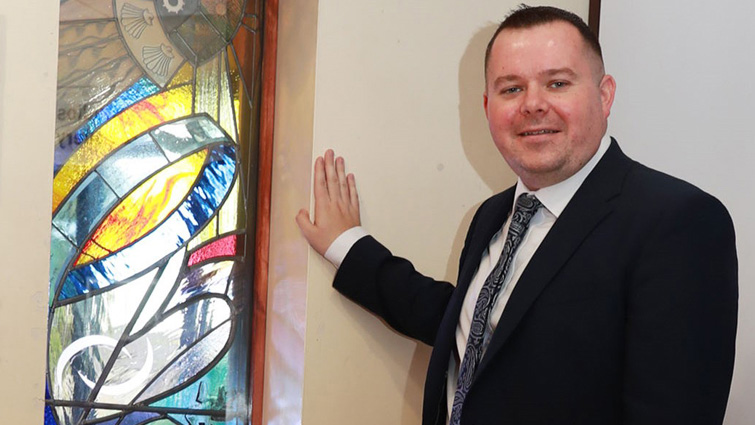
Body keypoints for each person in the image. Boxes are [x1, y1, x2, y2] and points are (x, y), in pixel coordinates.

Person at [296, 5, 737, 425]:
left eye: (558, 83)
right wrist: (348, 246)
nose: (533, 104)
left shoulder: (680, 222)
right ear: (488, 108)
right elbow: (476, 330)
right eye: (512, 88)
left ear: (605, 96)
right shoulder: (493, 215)